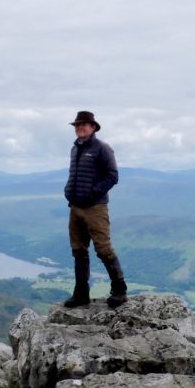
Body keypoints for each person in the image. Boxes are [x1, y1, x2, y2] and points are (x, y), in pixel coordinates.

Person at [63, 110, 128, 308]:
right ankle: (81, 294)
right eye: (77, 125)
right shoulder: (75, 149)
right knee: (79, 250)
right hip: (75, 207)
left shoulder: (102, 149)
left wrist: (94, 192)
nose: (80, 127)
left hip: (95, 208)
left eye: (84, 124)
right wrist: (68, 190)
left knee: (103, 249)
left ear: (93, 127)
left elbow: (112, 175)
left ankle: (119, 290)